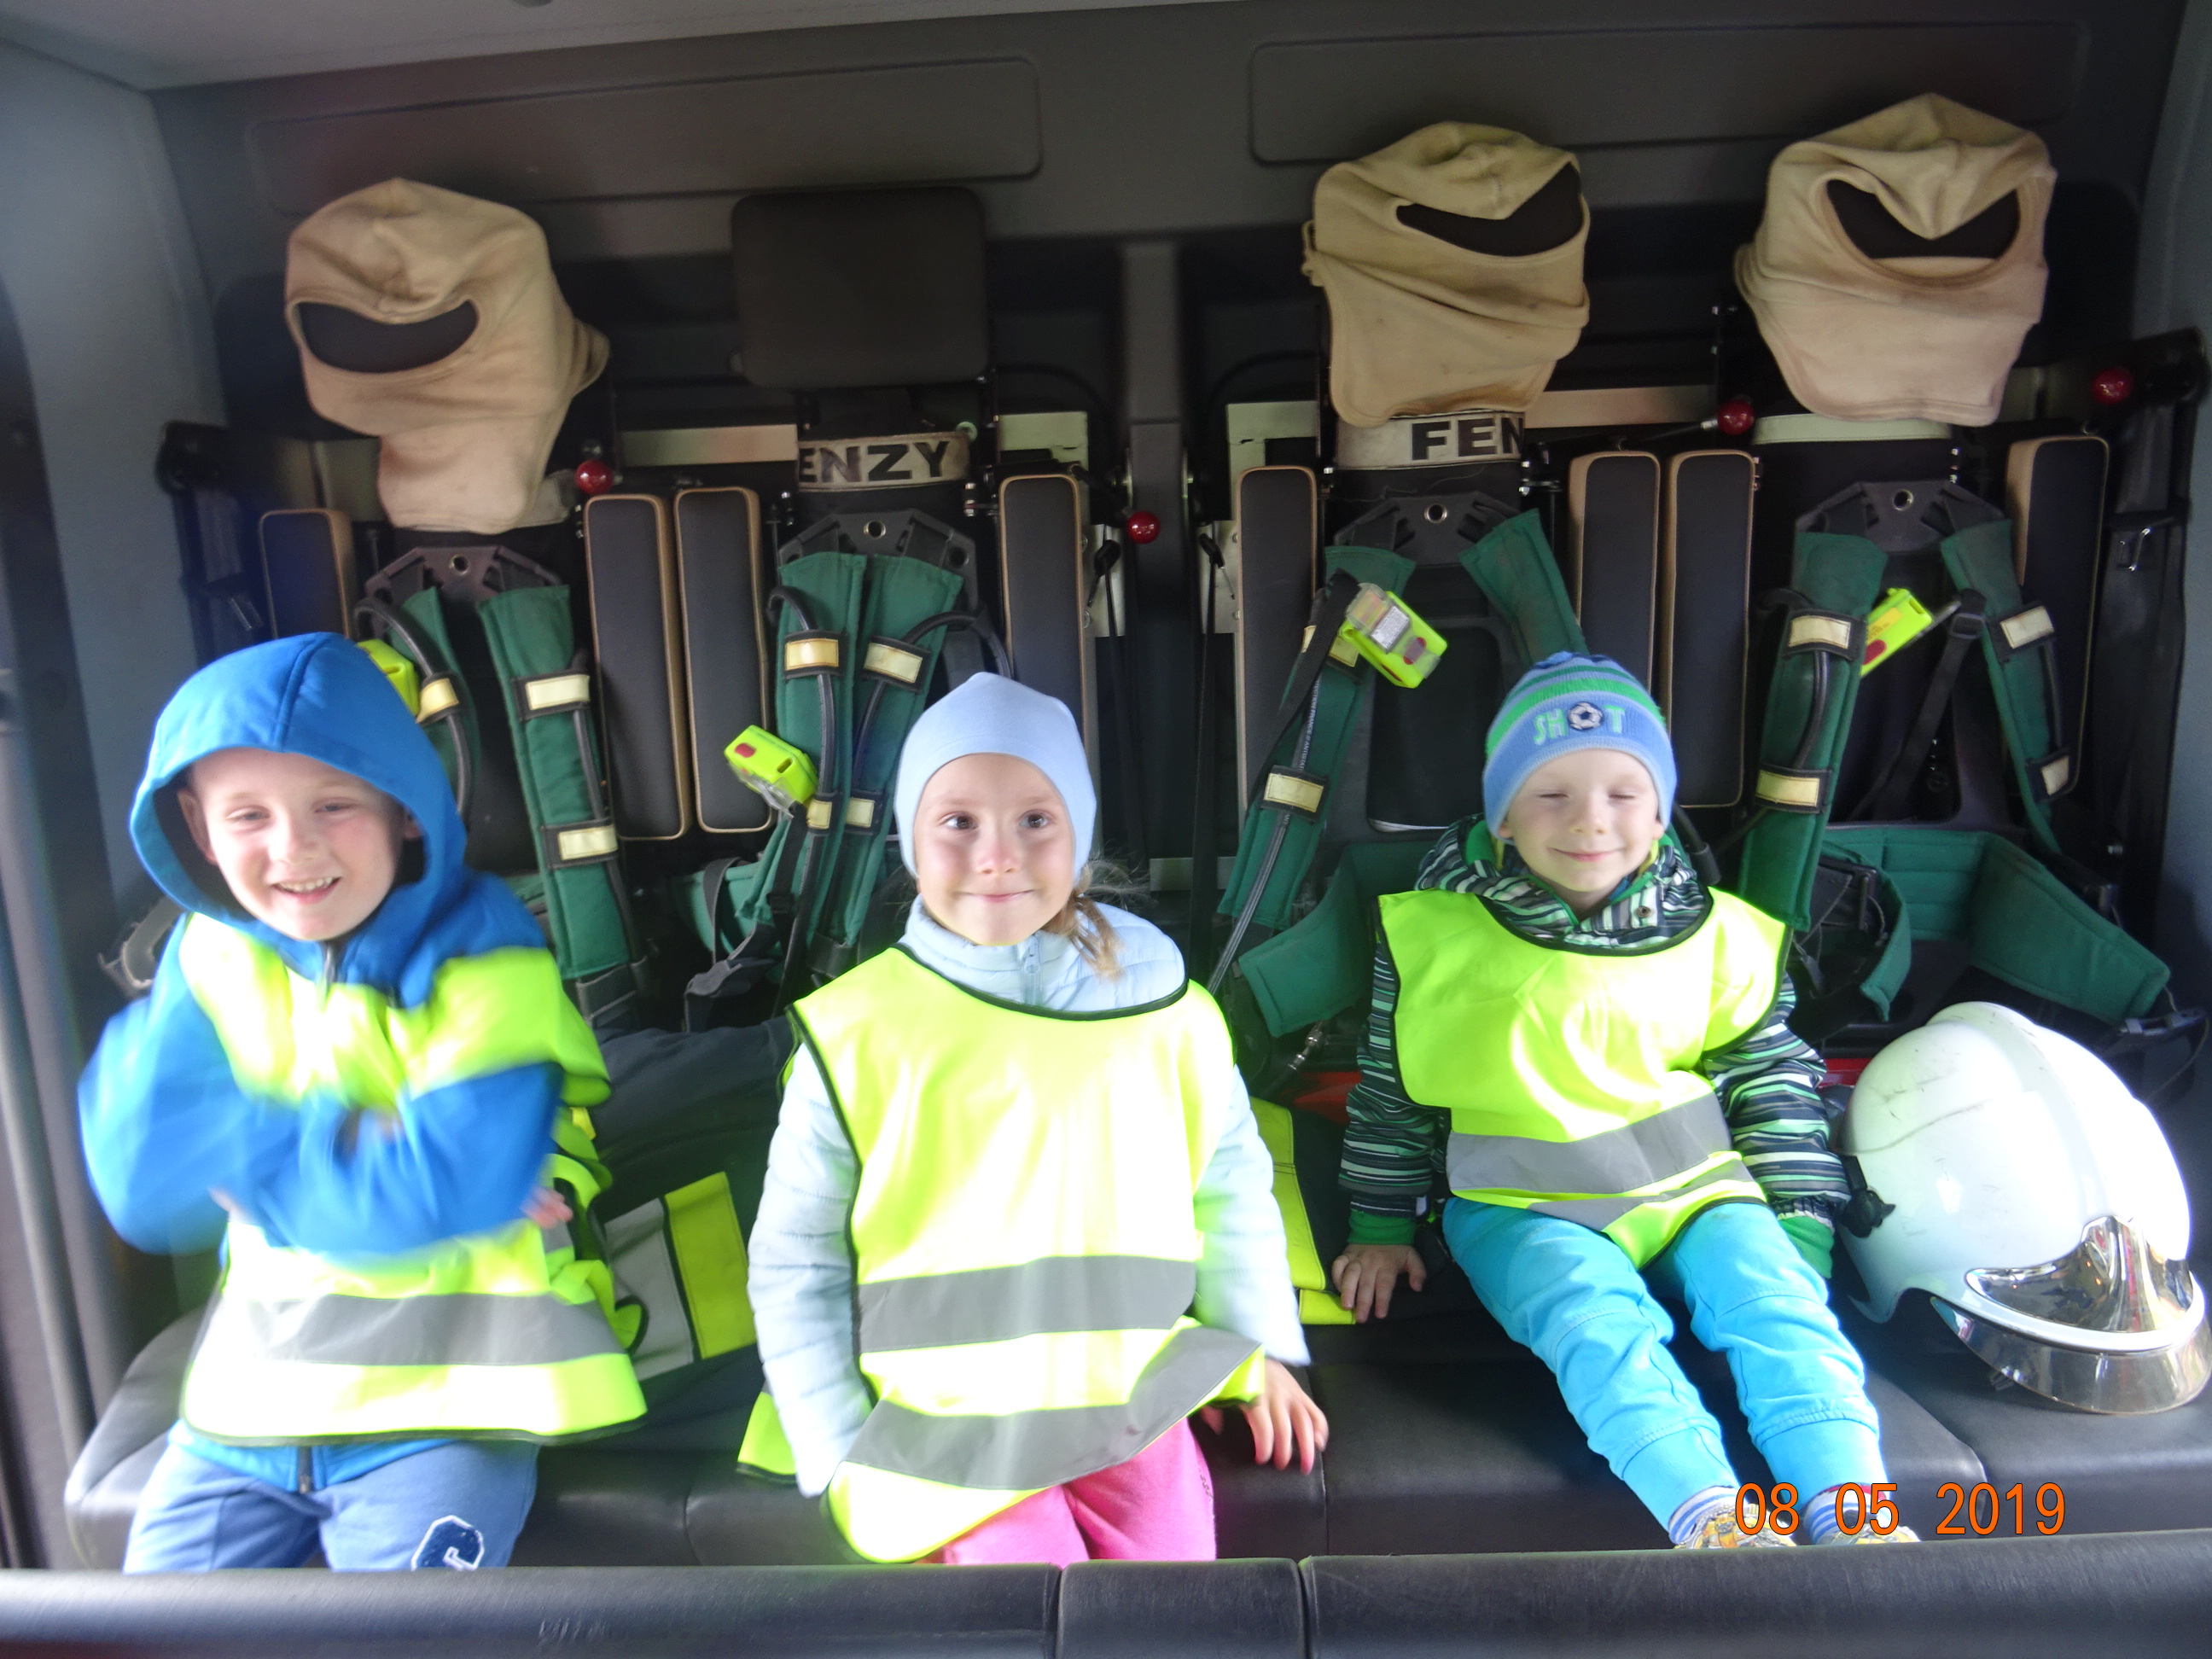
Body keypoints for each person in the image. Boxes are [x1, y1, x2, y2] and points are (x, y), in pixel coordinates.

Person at [80, 633, 643, 1572]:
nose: (293, 848)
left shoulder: (483, 951)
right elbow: (138, 1175)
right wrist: (356, 1138)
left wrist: (245, 1158)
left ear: (404, 809)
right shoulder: (208, 951)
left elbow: (436, 1191)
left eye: (333, 805)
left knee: (394, 1637)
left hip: (451, 1408)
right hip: (245, 1410)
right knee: (148, 1632)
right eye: (248, 815)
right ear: (197, 827)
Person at [1330, 654, 1914, 1549]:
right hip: (1522, 1206)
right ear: (1501, 818)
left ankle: (1858, 1522)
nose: (1590, 820)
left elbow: (1774, 1081)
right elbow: (1390, 1092)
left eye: (1624, 793)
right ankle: (1714, 1520)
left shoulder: (1719, 934)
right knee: (1597, 1329)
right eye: (1550, 795)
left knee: (1782, 1308)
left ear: (1661, 811)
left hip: (1698, 1194)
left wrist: (1798, 1218)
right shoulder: (1431, 937)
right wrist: (1379, 1224)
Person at [748, 672, 1324, 1566]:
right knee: (1035, 1612)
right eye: (958, 821)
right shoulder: (854, 1033)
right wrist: (832, 1445)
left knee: (1180, 1616)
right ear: (910, 843)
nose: (997, 856)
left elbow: (1229, 1189)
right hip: (947, 1430)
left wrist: (1258, 1355)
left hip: (1133, 1401)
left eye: (1035, 820)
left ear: (1079, 840)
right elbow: (797, 1261)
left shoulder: (1170, 1011)